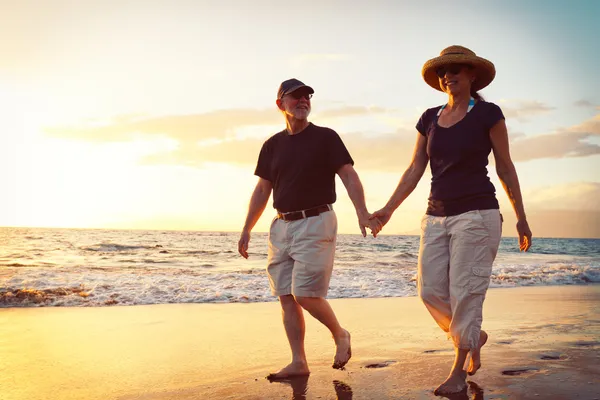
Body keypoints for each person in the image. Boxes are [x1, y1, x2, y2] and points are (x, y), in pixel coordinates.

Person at [371, 46, 532, 395]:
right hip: (435, 216)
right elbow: (415, 168)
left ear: (472, 75)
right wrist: (388, 208)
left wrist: (521, 217)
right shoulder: (430, 117)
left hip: (477, 213)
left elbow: (504, 165)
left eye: (457, 68)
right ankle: (472, 334)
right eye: (443, 71)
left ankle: (458, 372)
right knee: (428, 290)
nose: (448, 75)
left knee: (466, 293)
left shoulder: (488, 113)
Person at [238, 78, 380, 380]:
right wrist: (247, 228)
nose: (303, 101)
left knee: (304, 294)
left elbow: (349, 176)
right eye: (296, 97)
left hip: (317, 221)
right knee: (286, 297)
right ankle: (298, 362)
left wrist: (362, 212)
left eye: (307, 97)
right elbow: (263, 189)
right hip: (281, 226)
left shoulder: (326, 138)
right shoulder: (271, 145)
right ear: (281, 104)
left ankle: (340, 334)